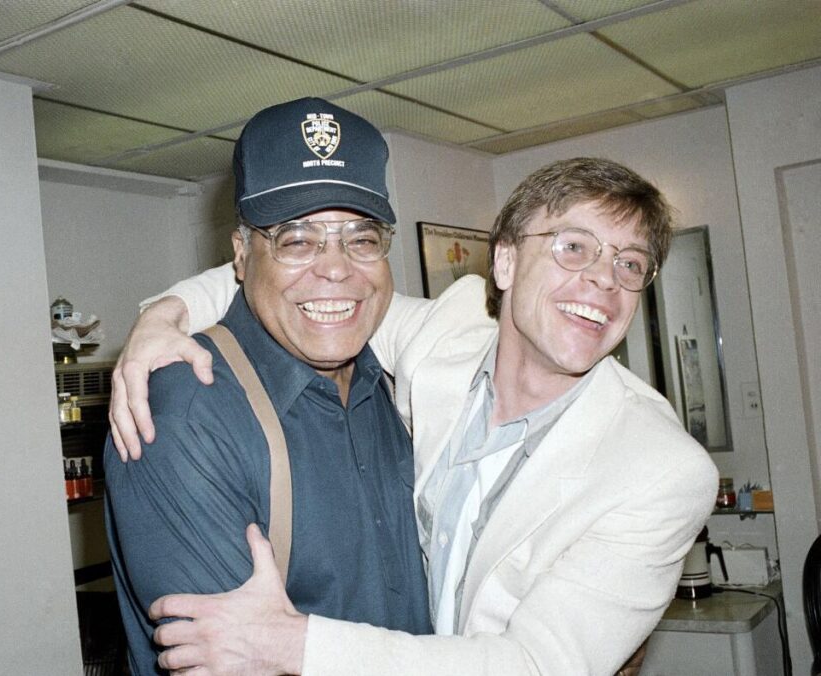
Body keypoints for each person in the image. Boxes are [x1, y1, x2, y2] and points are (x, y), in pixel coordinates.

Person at [111, 157, 719, 675]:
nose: (601, 282)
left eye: (630, 264)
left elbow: (536, 666)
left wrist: (291, 643)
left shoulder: (661, 468)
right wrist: (161, 319)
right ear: (503, 263)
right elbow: (315, 283)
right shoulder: (444, 335)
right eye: (573, 247)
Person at [103, 97, 432, 675]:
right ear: (240, 254)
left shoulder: (393, 385)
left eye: (361, 239)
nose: (336, 269)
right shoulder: (185, 411)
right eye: (296, 240)